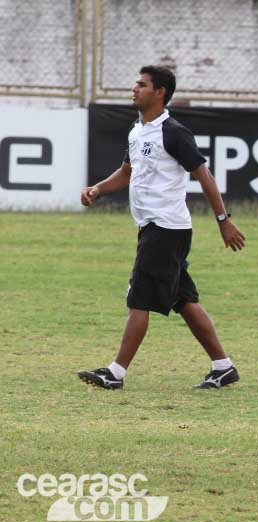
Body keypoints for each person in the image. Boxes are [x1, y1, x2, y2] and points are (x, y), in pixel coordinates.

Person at [77, 65, 245, 390]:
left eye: (141, 84)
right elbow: (126, 172)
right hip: (154, 227)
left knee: (138, 299)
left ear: (160, 93)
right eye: (135, 83)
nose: (133, 89)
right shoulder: (137, 130)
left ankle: (115, 373)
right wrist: (98, 188)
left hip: (165, 229)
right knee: (183, 299)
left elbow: (203, 175)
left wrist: (224, 220)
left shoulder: (174, 131)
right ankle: (223, 366)